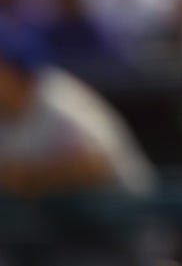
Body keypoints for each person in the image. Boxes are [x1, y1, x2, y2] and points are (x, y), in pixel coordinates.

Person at [0, 22, 158, 264]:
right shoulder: (7, 111)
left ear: (13, 68)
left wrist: (29, 176)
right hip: (53, 233)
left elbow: (95, 166)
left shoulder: (58, 101)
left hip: (121, 228)